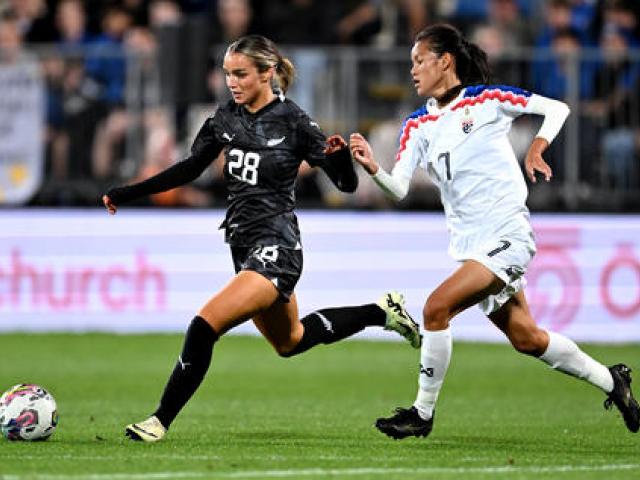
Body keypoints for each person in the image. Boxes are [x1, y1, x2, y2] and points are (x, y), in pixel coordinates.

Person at [102, 34, 421, 442]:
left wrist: (341, 159)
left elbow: (345, 185)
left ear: (267, 73)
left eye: (240, 74)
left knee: (203, 325)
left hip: (278, 246)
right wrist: (126, 193)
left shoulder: (295, 122)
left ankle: (158, 420)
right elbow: (187, 169)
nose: (231, 82)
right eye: (227, 74)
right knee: (291, 341)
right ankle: (381, 312)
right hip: (242, 244)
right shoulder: (224, 119)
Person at [349, 23, 639, 440]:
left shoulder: (486, 100)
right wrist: (373, 168)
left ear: (444, 61)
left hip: (507, 233)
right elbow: (397, 188)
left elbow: (557, 108)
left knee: (436, 308)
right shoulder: (416, 126)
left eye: (419, 61)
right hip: (471, 247)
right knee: (527, 338)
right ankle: (614, 381)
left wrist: (536, 148)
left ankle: (422, 413)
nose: (412, 70)